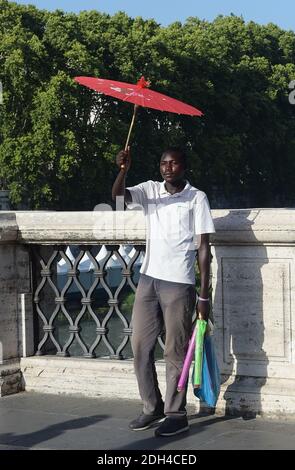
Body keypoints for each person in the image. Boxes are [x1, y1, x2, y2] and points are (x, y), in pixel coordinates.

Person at [112, 146, 215, 437]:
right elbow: (118, 199)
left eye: (173, 163)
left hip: (179, 284)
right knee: (140, 348)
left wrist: (203, 295)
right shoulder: (150, 190)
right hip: (148, 279)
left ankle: (175, 413)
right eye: (163, 163)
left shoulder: (197, 198)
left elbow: (204, 250)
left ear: (184, 167)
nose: (167, 168)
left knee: (175, 351)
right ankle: (151, 406)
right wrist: (123, 169)